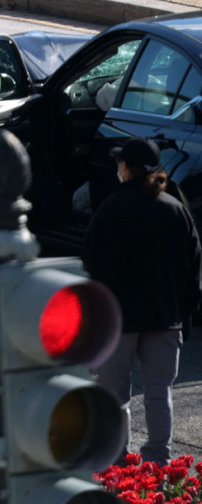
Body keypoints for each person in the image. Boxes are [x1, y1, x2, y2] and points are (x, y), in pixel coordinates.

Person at [84, 137, 202, 465]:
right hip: (165, 319)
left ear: (128, 168)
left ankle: (118, 462)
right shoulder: (176, 209)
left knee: (115, 396)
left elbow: (95, 266)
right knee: (159, 394)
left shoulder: (111, 209)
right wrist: (185, 312)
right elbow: (193, 267)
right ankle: (157, 463)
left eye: (120, 162)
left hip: (118, 322)